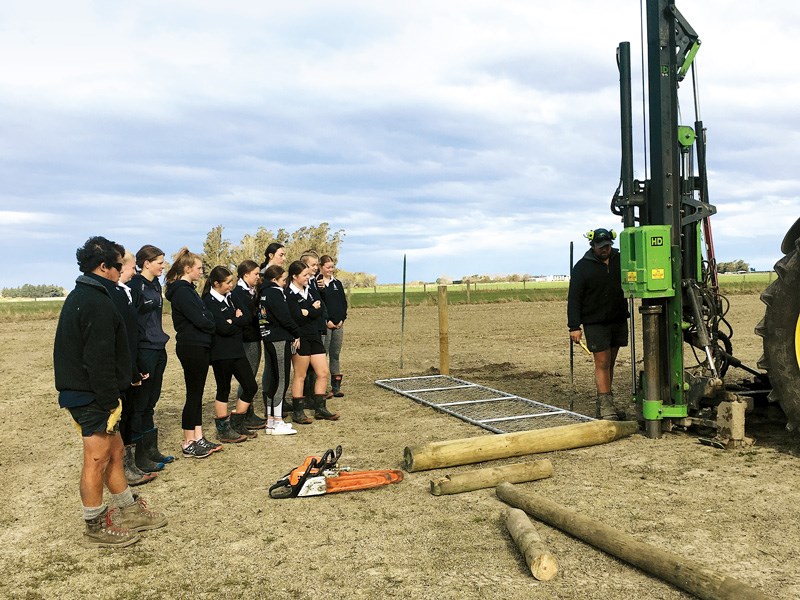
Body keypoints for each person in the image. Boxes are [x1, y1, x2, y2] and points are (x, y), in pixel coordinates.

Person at [54, 236, 167, 548]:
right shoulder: (94, 301)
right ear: (103, 267)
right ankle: (94, 524)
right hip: (90, 396)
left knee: (116, 452)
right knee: (97, 459)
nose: (122, 271)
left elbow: (112, 350)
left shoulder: (96, 295)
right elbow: (98, 359)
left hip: (99, 394)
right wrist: (107, 402)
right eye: (119, 266)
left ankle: (130, 512)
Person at [567, 227, 630, 420]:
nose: (605, 249)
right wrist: (574, 326)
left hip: (617, 319)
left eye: (607, 246)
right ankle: (607, 408)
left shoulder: (621, 260)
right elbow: (574, 299)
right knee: (602, 363)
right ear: (592, 246)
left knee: (610, 363)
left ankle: (604, 405)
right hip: (595, 323)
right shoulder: (582, 267)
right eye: (600, 246)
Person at [165, 248, 220, 458]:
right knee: (193, 394)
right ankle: (188, 440)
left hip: (200, 344)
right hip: (192, 345)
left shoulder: (188, 289)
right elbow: (202, 318)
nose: (201, 271)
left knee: (197, 393)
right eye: (198, 268)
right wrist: (209, 321)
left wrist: (207, 319)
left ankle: (198, 436)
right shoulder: (181, 291)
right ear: (187, 269)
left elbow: (205, 316)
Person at [201, 266, 260, 443]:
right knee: (224, 389)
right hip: (221, 352)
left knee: (250, 386)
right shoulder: (208, 301)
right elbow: (222, 328)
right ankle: (223, 429)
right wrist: (235, 319)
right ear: (216, 283)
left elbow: (246, 318)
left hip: (236, 349)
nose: (230, 286)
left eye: (231, 282)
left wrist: (233, 320)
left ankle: (237, 420)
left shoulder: (231, 297)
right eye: (227, 283)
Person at [128, 244, 174, 472]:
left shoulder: (155, 284)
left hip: (159, 348)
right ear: (146, 263)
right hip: (144, 350)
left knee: (152, 402)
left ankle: (151, 450)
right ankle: (139, 456)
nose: (163, 266)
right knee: (141, 402)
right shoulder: (135, 286)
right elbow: (132, 323)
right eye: (159, 262)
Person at [116, 251, 159, 485]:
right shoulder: (121, 294)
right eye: (132, 268)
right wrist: (132, 367)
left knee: (136, 408)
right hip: (125, 365)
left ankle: (135, 460)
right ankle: (126, 464)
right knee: (129, 412)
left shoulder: (126, 292)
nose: (134, 272)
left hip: (136, 357)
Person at [285, 260, 339, 421]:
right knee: (300, 375)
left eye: (308, 275)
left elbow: (320, 309)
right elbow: (295, 316)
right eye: (304, 275)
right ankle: (298, 411)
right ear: (294, 276)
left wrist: (308, 312)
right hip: (300, 338)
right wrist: (311, 310)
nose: (308, 278)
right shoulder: (289, 294)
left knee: (322, 372)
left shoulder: (310, 290)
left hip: (314, 335)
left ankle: (320, 408)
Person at [258, 264, 301, 431]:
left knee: (274, 379)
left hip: (269, 338)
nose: (285, 282)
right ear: (274, 280)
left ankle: (270, 419)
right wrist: (296, 333)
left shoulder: (264, 293)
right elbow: (284, 317)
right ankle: (277, 420)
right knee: (281, 380)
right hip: (279, 339)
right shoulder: (275, 293)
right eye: (283, 279)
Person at [231, 259, 267, 430]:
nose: (258, 277)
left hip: (254, 337)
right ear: (245, 274)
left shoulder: (252, 291)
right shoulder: (238, 293)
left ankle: (247, 412)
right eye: (255, 274)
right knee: (248, 378)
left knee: (250, 375)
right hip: (247, 339)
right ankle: (244, 414)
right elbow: (246, 317)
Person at [318, 255, 347, 398]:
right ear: (320, 267)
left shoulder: (338, 284)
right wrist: (326, 321)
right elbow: (320, 305)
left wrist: (342, 319)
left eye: (332, 267)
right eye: (328, 267)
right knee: (323, 355)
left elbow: (343, 303)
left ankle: (336, 387)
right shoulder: (317, 284)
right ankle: (320, 388)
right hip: (326, 325)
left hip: (338, 325)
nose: (331, 269)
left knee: (335, 355)